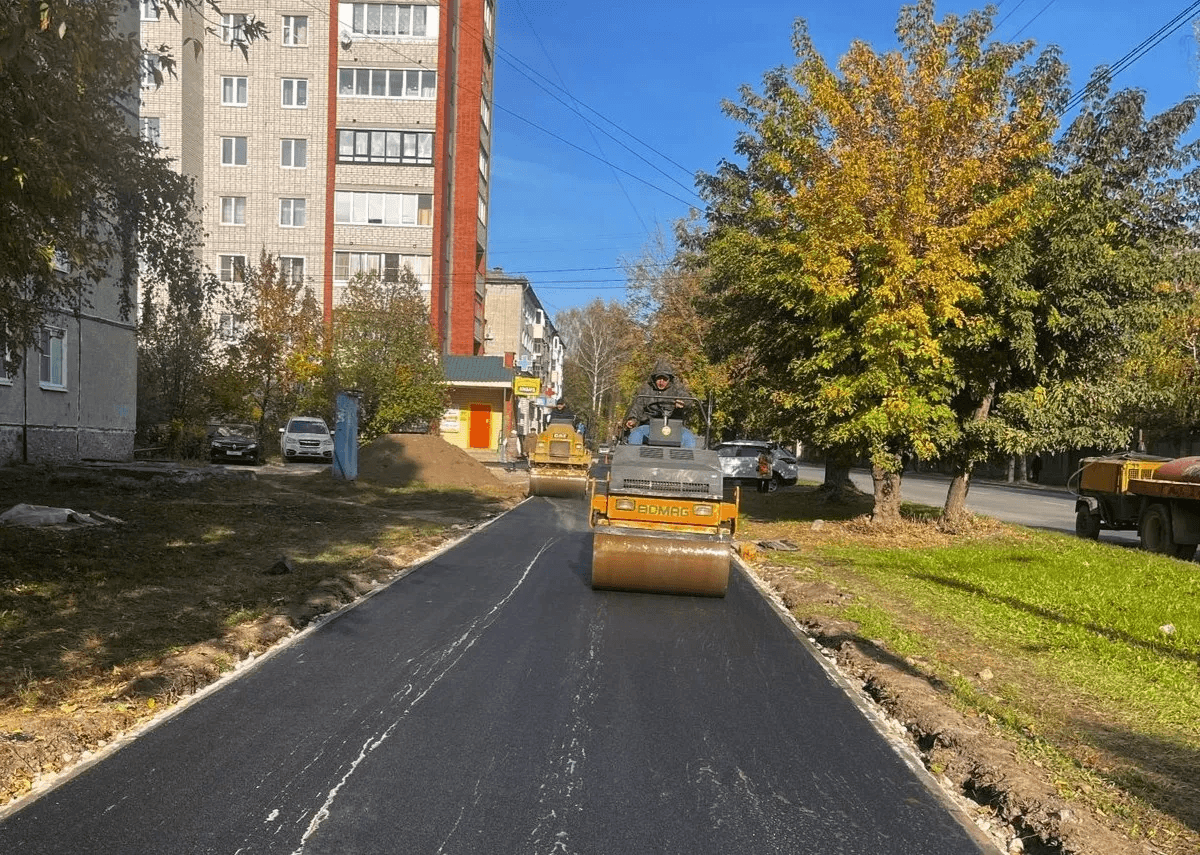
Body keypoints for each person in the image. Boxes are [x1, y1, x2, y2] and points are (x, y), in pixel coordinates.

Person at [623, 357, 697, 448]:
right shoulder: (646, 390)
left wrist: (682, 403)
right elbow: (637, 406)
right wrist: (632, 419)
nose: (661, 382)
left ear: (669, 380)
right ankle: (633, 459)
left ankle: (687, 461)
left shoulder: (677, 389)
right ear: (654, 380)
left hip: (674, 427)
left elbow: (689, 401)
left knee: (688, 437)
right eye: (659, 379)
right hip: (649, 426)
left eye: (664, 379)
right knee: (636, 434)